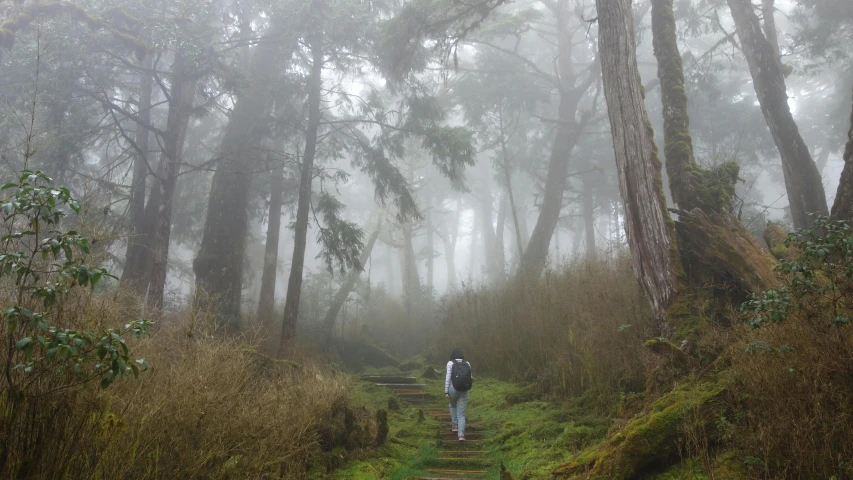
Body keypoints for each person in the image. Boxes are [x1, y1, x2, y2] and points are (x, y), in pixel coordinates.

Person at [445, 348, 473, 441]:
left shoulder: (450, 363)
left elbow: (448, 378)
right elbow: (470, 378)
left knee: (452, 406)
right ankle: (461, 435)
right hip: (465, 390)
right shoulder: (467, 363)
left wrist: (446, 391)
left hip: (453, 389)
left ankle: (455, 425)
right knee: (461, 414)